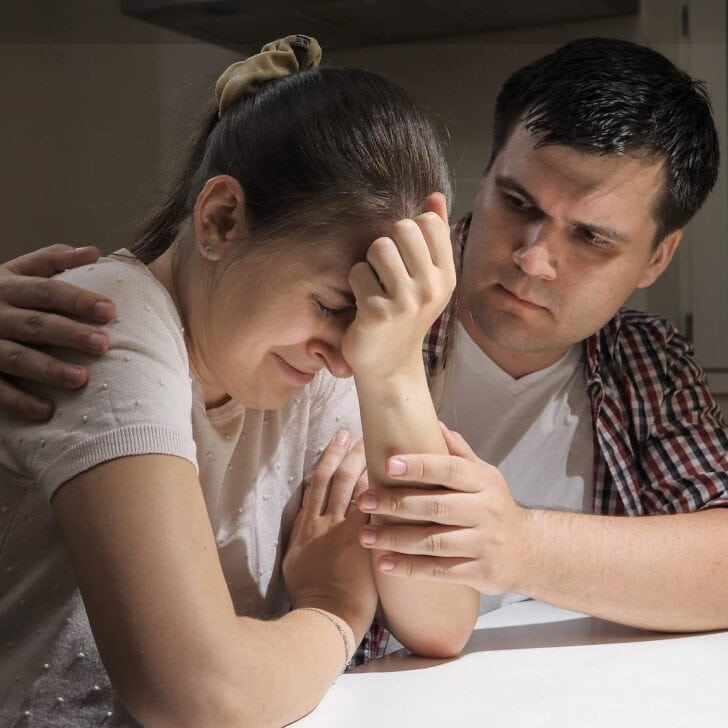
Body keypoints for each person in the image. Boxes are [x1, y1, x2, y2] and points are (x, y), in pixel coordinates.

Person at [4, 36, 728, 637]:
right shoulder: (352, 301)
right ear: (484, 179)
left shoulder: (642, 360)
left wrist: (519, 543)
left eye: (592, 238)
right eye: (516, 202)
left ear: (657, 258)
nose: (534, 258)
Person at [0, 35, 477, 727]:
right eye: (332, 307)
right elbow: (196, 691)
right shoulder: (110, 323)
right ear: (220, 219)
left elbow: (444, 617)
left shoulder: (320, 357)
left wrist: (395, 362)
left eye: (372, 323)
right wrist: (335, 613)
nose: (347, 356)